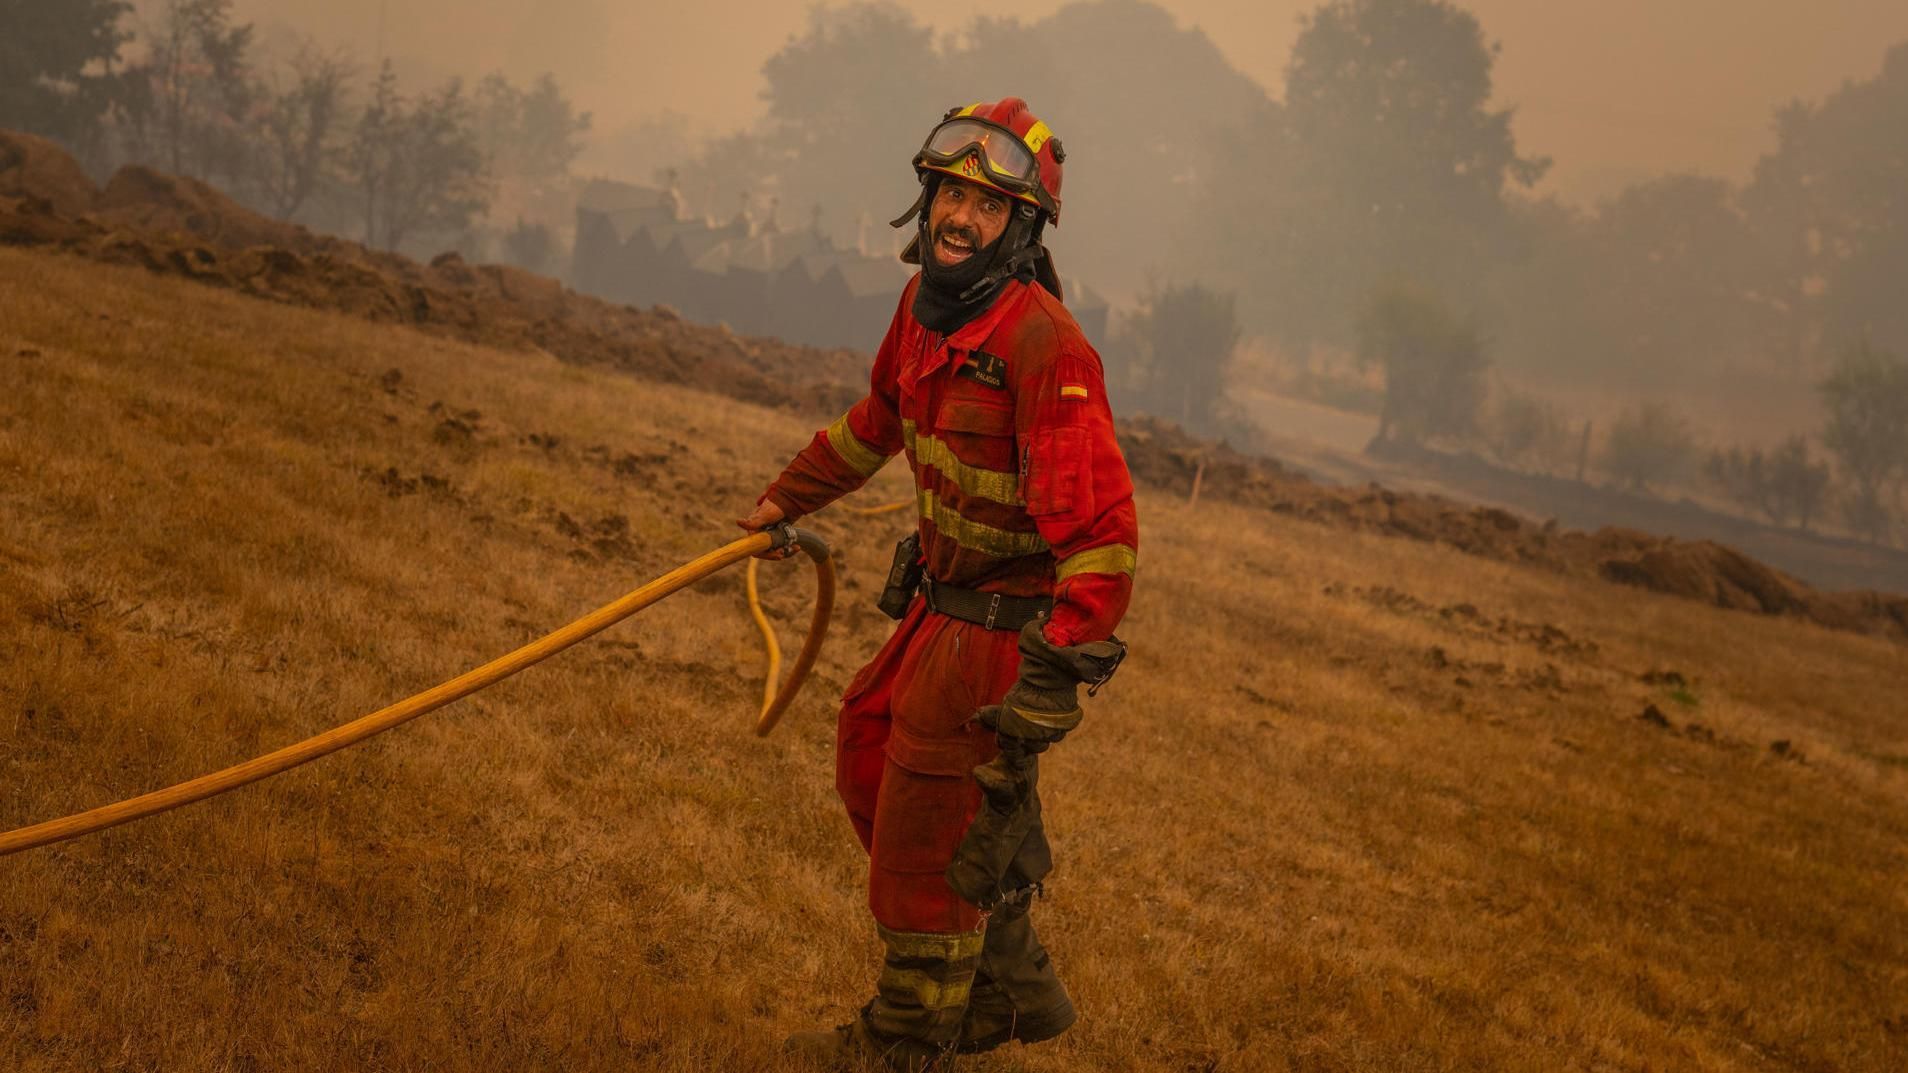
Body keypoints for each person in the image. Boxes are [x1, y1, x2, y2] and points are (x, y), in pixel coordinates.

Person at [739, 97, 1138, 1071]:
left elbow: (1102, 534)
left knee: (926, 830)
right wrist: (785, 498)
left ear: (1024, 229)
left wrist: (1052, 675)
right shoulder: (922, 310)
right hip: (938, 613)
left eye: (987, 205)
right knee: (867, 755)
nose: (959, 217)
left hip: (997, 636)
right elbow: (876, 419)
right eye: (950, 194)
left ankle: (909, 1038)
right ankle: (996, 983)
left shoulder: (1046, 347)